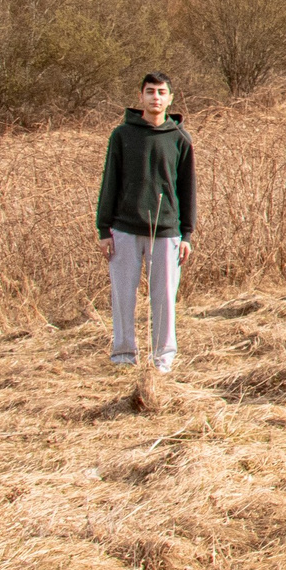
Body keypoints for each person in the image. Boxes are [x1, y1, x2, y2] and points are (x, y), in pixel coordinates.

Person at [96, 72, 195, 373]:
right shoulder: (122, 135)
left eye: (161, 92)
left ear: (170, 98)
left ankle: (162, 359)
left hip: (166, 232)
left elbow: (187, 190)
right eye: (150, 91)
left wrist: (187, 234)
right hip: (124, 229)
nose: (155, 97)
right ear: (140, 96)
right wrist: (104, 229)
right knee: (123, 297)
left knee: (164, 299)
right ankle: (124, 356)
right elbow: (109, 183)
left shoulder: (180, 139)